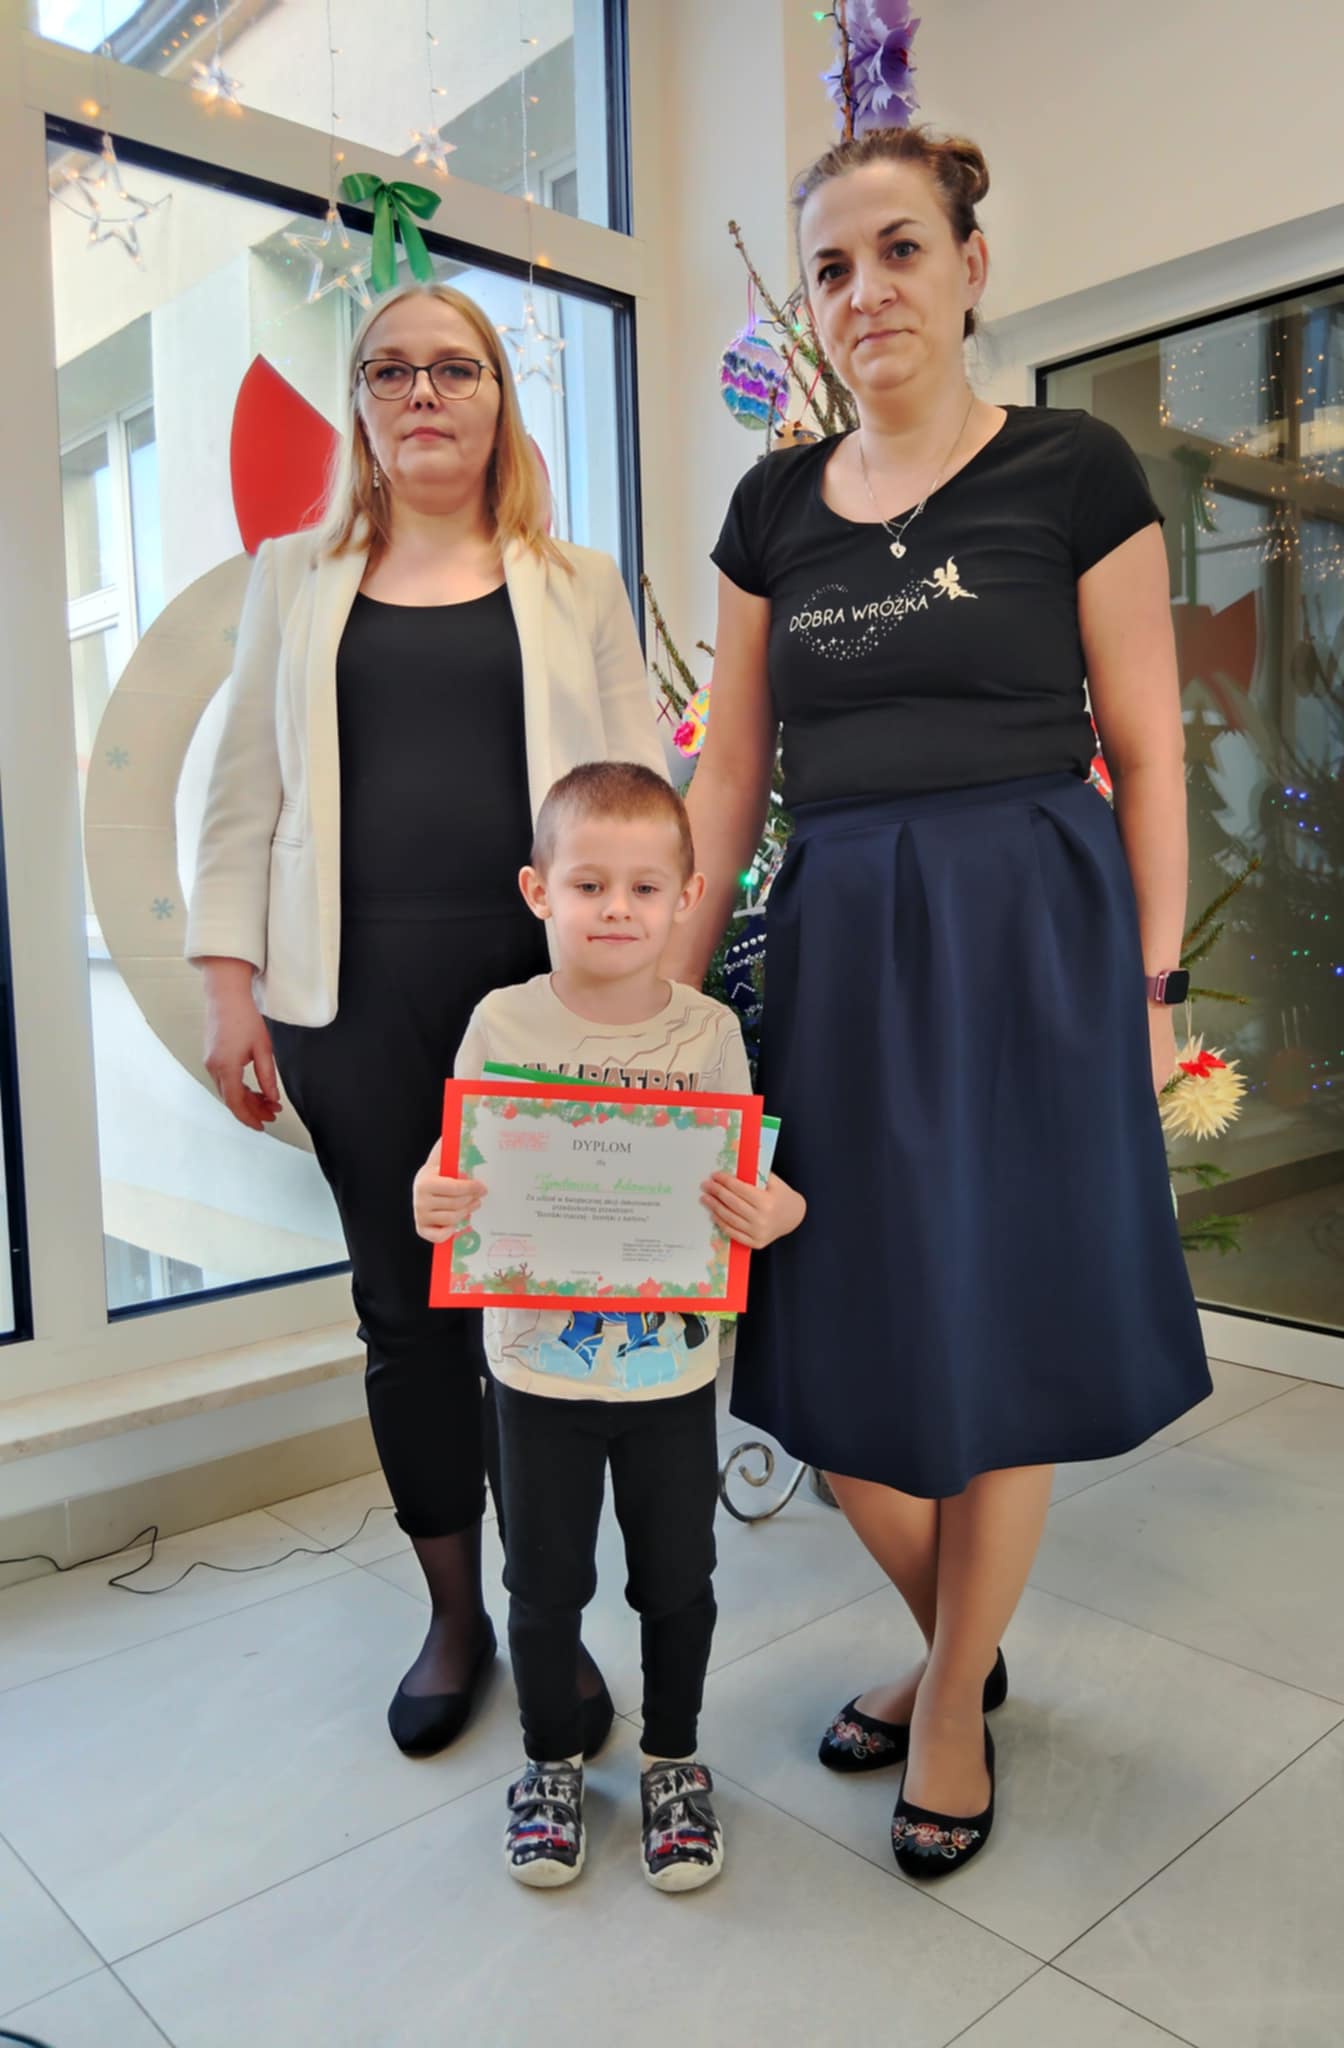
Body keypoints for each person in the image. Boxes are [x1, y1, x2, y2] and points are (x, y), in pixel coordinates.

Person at [674, 126, 1212, 1879]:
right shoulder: (770, 512)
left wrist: (1154, 984)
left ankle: (953, 1700)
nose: (866, 291)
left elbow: (1148, 750)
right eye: (833, 266)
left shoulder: (1072, 470)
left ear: (970, 267)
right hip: (839, 945)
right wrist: (666, 1007)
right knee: (833, 1334)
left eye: (900, 250)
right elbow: (729, 776)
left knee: (1005, 1316)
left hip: (1033, 932)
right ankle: (961, 1645)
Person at [185, 283, 667, 1759]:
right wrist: (227, 983)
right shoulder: (294, 577)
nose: (422, 395)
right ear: (361, 404)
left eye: (453, 369)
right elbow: (245, 792)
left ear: (498, 397)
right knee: (406, 1314)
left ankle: (547, 1620)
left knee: (543, 1309)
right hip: (354, 999)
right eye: (389, 371)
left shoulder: (576, 581)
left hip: (539, 1000)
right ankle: (455, 1616)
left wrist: (649, 988)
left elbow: (641, 790)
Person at [412, 762, 805, 1891]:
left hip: (669, 1374)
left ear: (688, 896)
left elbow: (741, 1173)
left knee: (678, 1578)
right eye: (589, 884)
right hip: (534, 1370)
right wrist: (431, 1197)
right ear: (539, 890)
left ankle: (674, 1757)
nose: (617, 909)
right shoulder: (502, 1021)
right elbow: (457, 1160)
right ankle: (547, 1765)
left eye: (644, 886)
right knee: (543, 1584)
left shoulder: (709, 1032)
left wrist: (775, 1212)